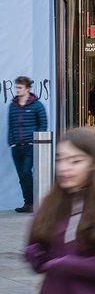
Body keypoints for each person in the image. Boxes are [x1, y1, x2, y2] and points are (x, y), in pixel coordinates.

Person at [24, 127, 95, 294]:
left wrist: (68, 264)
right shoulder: (50, 203)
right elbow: (36, 252)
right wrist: (34, 254)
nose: (64, 168)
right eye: (60, 160)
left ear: (93, 163)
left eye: (75, 161)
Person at [7, 74, 48, 213]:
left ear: (27, 89)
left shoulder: (36, 105)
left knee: (26, 173)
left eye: (20, 87)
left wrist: (36, 142)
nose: (17, 90)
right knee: (22, 176)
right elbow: (11, 125)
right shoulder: (13, 106)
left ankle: (33, 203)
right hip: (16, 147)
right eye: (16, 87)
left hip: (30, 145)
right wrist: (11, 142)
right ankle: (28, 203)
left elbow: (43, 124)